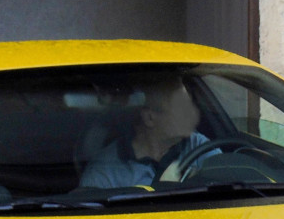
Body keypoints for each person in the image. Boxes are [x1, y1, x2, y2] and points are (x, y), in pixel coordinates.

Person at [78, 77, 210, 189]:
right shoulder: (104, 173)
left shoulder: (197, 145)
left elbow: (225, 174)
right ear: (149, 118)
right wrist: (163, 188)